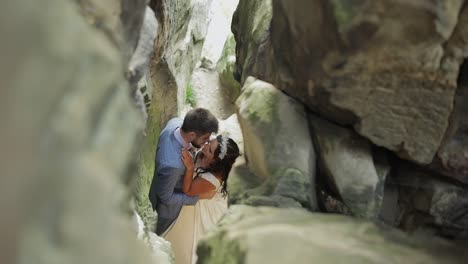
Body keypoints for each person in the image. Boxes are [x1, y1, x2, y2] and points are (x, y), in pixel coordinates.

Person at [162, 135, 240, 264]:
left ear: (214, 162)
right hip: (200, 196)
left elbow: (188, 190)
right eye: (210, 142)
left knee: (190, 244)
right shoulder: (206, 156)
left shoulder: (212, 179)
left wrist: (190, 167)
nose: (206, 145)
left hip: (206, 209)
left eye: (209, 150)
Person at [148, 108, 219, 235]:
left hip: (168, 184)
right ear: (192, 135)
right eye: (205, 138)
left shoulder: (175, 123)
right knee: (164, 234)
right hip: (169, 211)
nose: (207, 142)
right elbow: (165, 197)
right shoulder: (173, 165)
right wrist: (197, 197)